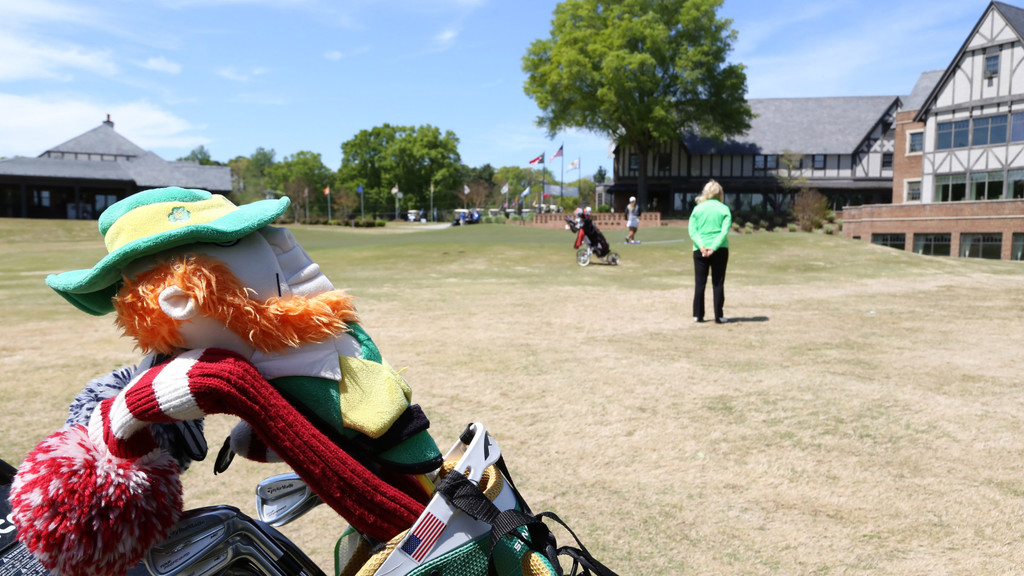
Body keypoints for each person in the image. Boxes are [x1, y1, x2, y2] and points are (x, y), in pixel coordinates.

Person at [688, 179, 732, 324]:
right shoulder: (724, 209)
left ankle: (698, 315)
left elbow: (692, 230)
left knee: (700, 283)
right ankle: (718, 315)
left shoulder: (698, 209)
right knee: (718, 283)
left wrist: (702, 246)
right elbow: (724, 231)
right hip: (720, 249)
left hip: (699, 250)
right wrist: (713, 247)